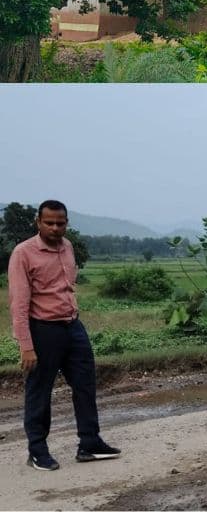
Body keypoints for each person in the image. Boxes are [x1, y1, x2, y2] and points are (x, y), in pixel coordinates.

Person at [8, 201, 121, 471]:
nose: (55, 228)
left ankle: (89, 443)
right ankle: (37, 450)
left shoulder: (68, 247)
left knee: (85, 384)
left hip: (73, 327)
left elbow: (68, 286)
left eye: (60, 223)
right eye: (49, 223)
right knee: (39, 391)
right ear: (38, 222)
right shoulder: (23, 253)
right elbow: (19, 304)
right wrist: (26, 345)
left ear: (66, 223)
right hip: (43, 330)